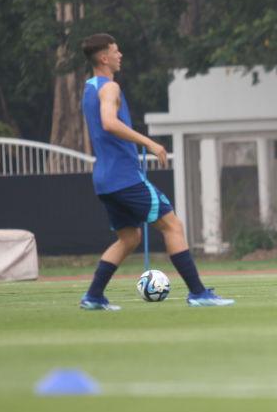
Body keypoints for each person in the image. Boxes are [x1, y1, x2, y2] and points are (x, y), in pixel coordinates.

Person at [77, 33, 232, 310]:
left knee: (129, 238)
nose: (120, 55)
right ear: (103, 58)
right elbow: (109, 122)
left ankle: (94, 296)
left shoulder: (89, 87)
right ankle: (198, 292)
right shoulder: (109, 88)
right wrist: (148, 142)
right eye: (115, 51)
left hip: (104, 179)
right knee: (173, 225)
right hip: (124, 177)